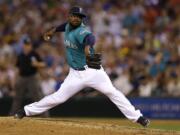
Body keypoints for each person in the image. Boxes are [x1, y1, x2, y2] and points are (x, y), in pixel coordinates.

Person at [14, 6, 150, 127]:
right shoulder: (68, 26)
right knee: (58, 97)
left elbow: (90, 38)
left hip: (92, 71)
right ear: (70, 16)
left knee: (112, 92)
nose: (77, 19)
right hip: (75, 74)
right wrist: (52, 31)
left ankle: (138, 117)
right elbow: (63, 26)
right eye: (74, 16)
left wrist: (87, 47)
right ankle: (25, 111)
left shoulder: (81, 31)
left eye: (79, 17)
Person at [10, 38, 46, 115]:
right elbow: (17, 69)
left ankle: (44, 115)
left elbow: (43, 64)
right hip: (22, 77)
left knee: (37, 97)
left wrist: (37, 64)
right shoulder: (20, 55)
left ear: (31, 46)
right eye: (26, 45)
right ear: (23, 45)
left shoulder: (34, 54)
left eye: (28, 45)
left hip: (32, 77)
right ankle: (12, 114)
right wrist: (14, 80)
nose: (27, 46)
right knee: (17, 97)